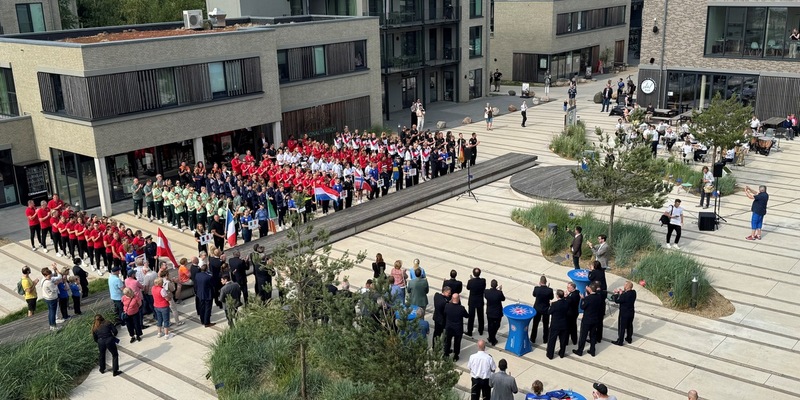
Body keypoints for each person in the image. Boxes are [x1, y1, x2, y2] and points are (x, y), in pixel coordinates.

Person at [573, 282, 604, 357]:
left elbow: (582, 307)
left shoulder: (587, 299)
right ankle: (592, 350)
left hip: (587, 320)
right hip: (595, 319)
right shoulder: (599, 297)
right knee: (593, 335)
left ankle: (580, 350)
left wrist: (582, 299)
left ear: (590, 289)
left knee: (583, 336)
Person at [443, 293, 468, 361]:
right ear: (458, 299)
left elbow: (445, 313)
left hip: (449, 327)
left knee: (447, 341)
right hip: (458, 328)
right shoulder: (461, 308)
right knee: (457, 343)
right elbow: (466, 315)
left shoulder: (447, 306)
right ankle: (455, 356)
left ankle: (446, 354)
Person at [546, 289, 569, 359]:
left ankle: (550, 354)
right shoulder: (567, 303)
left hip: (555, 325)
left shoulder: (554, 304)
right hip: (564, 324)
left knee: (552, 340)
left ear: (557, 296)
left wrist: (550, 305)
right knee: (563, 340)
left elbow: (549, 312)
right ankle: (562, 353)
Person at [612, 281, 636, 346]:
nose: (624, 286)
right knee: (629, 326)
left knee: (622, 327)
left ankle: (620, 340)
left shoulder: (625, 295)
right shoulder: (634, 293)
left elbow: (617, 301)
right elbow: (626, 294)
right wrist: (622, 292)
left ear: (627, 286)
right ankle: (629, 338)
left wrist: (617, 294)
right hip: (631, 312)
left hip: (624, 313)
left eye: (625, 285)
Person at [530, 275, 553, 344]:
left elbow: (534, 295)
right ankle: (545, 339)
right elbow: (551, 298)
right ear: (546, 282)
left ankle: (533, 338)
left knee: (535, 324)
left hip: (537, 308)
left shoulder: (536, 289)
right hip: (545, 309)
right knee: (546, 325)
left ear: (540, 282)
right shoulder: (549, 290)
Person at [484, 279, 505, 346]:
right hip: (497, 312)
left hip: (490, 312)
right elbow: (503, 299)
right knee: (497, 325)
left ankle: (491, 337)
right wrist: (500, 290)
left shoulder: (487, 292)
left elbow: (486, 296)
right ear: (496, 285)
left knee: (490, 325)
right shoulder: (499, 293)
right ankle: (493, 338)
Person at [466, 267, 486, 337]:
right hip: (480, 300)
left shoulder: (470, 281)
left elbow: (468, 287)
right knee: (480, 316)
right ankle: (481, 330)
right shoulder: (483, 281)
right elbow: (483, 287)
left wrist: (471, 279)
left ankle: (469, 331)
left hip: (472, 301)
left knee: (471, 317)